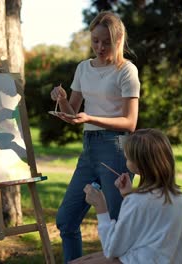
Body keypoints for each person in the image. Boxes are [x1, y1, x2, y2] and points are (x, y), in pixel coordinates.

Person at [50, 11, 140, 263]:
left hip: (116, 148)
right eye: (95, 41)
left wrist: (90, 118)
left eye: (106, 42)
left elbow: (130, 122)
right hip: (89, 149)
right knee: (66, 221)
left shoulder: (126, 71)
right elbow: (73, 113)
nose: (100, 47)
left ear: (118, 39)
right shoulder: (83, 68)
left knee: (117, 226)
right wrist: (63, 100)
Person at [80, 128, 182, 264]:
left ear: (138, 164)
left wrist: (100, 207)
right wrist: (127, 194)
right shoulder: (178, 197)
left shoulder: (137, 200)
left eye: (127, 158)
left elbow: (111, 249)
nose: (126, 161)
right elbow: (145, 228)